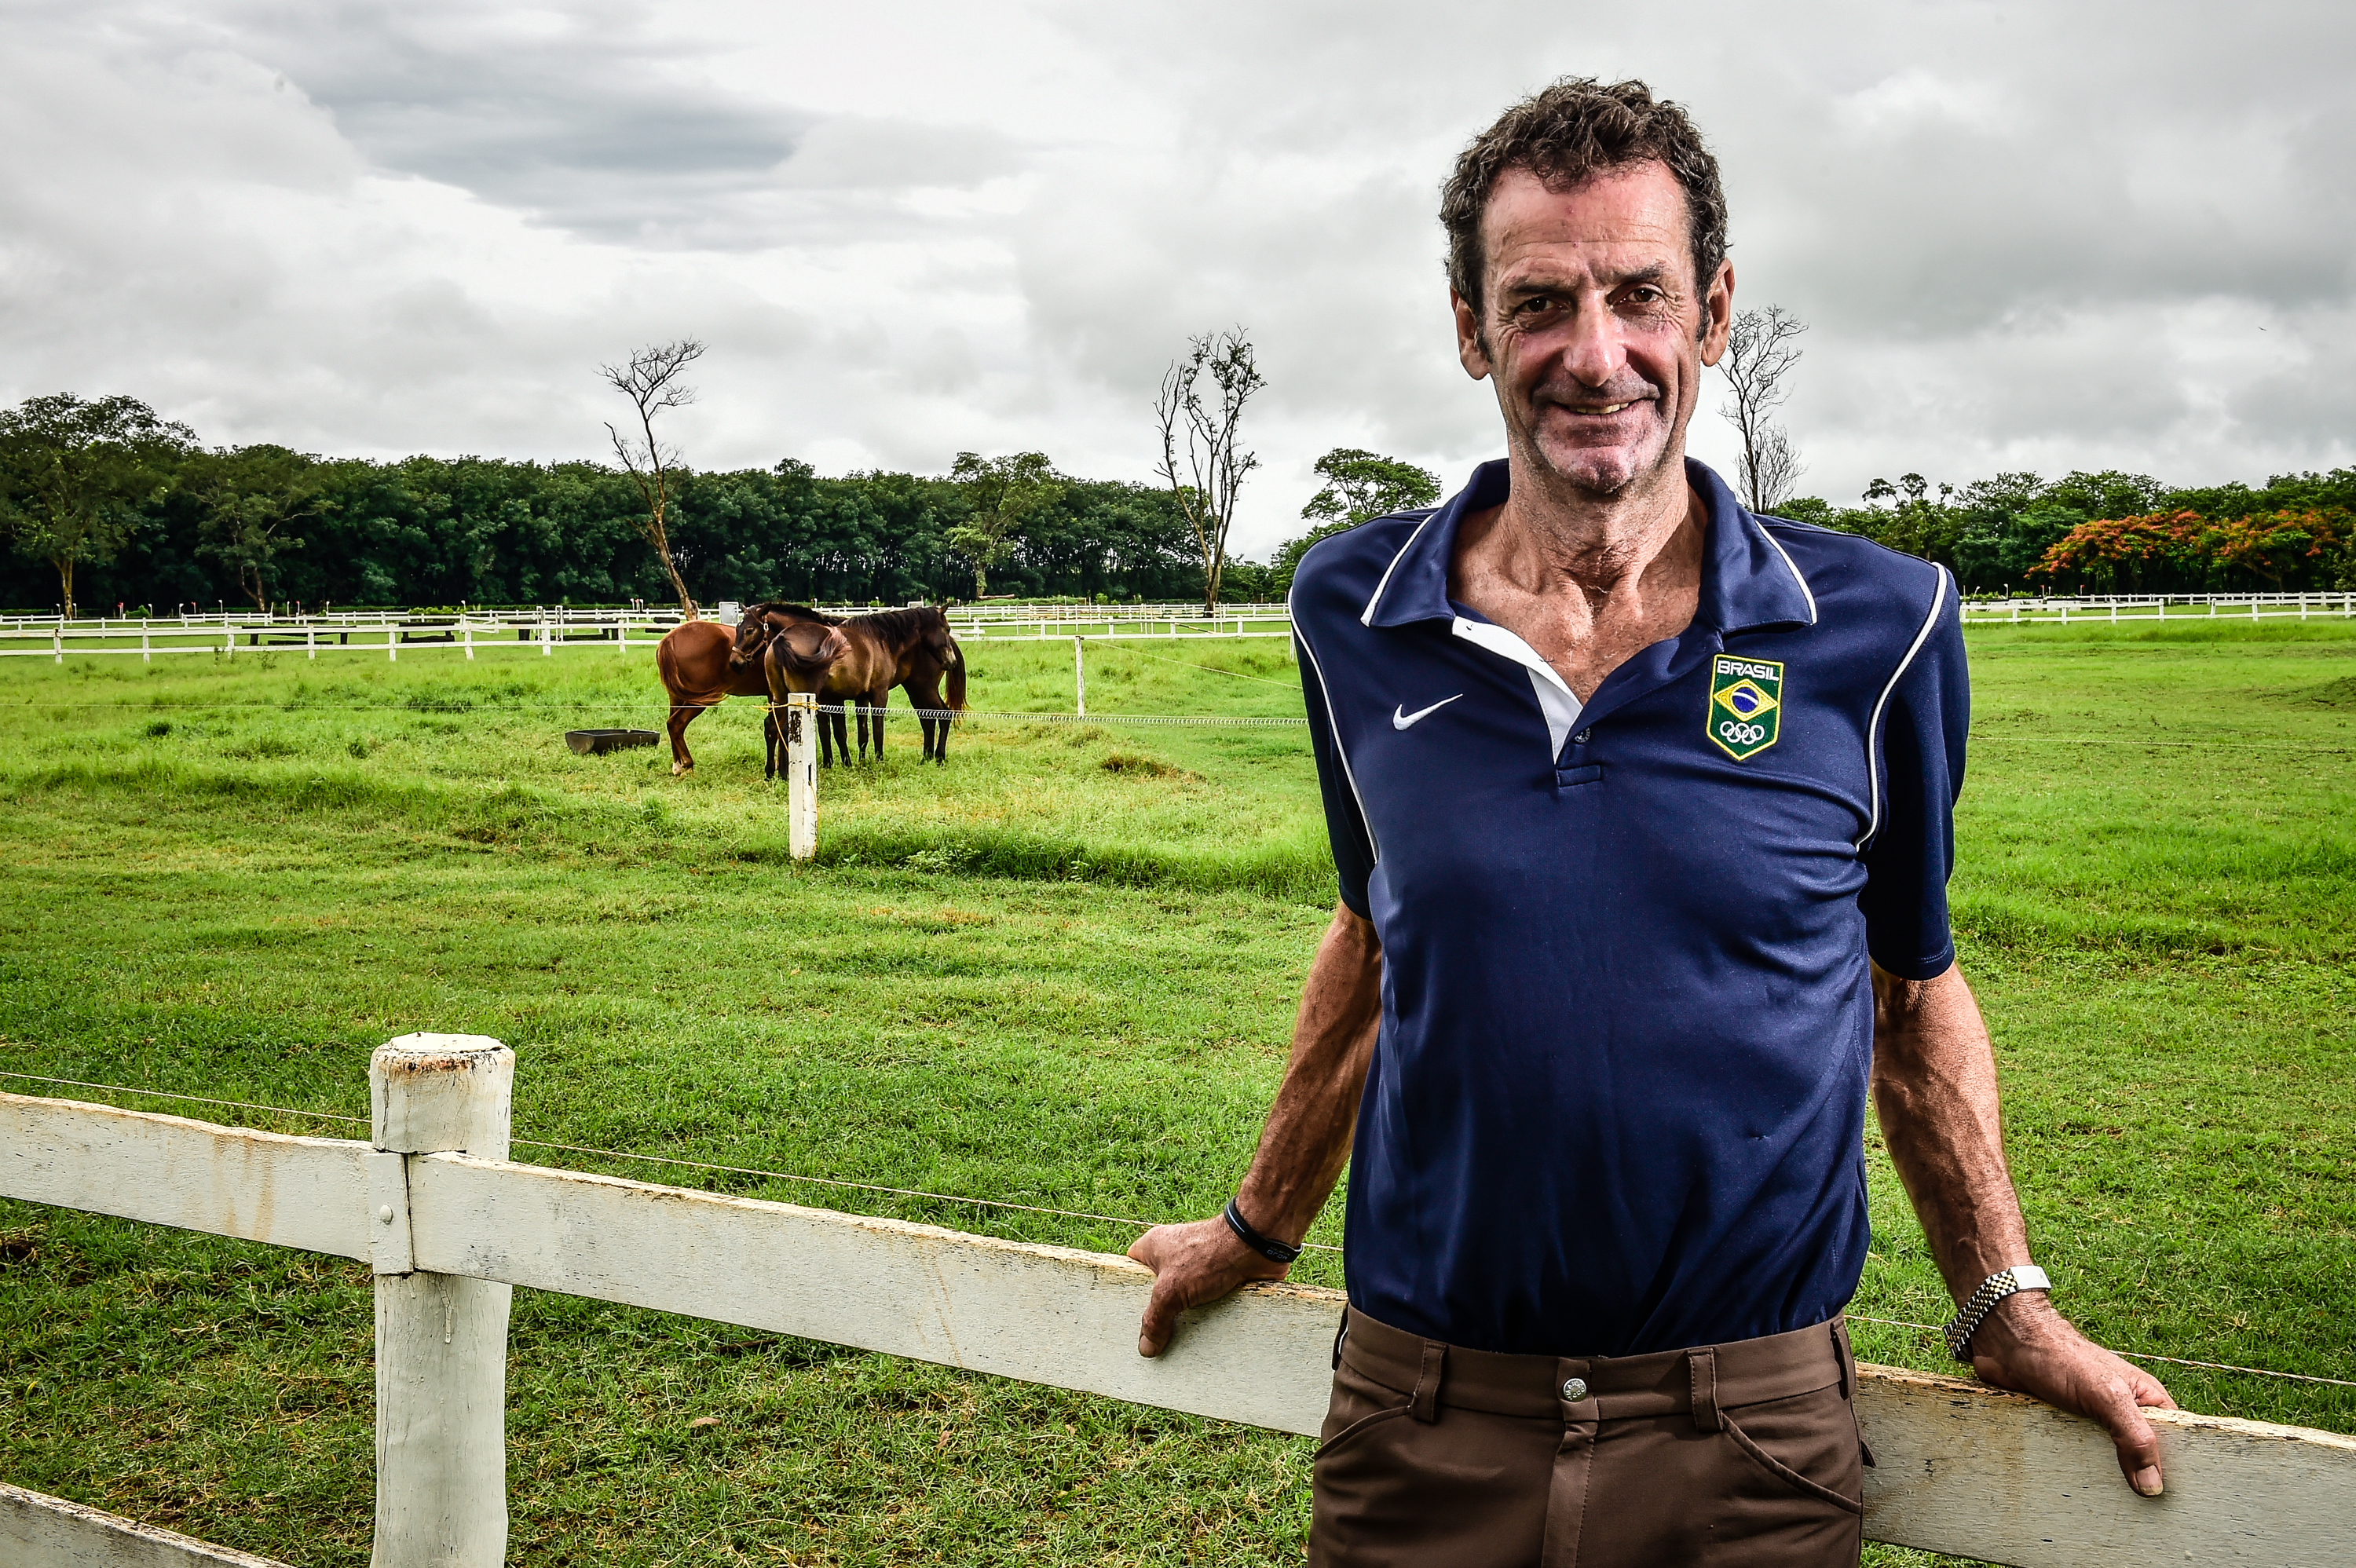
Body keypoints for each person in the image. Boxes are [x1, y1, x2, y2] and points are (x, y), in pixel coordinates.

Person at [1126, 78, 2174, 1567]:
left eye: (1641, 295)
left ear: (1717, 309)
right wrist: (1254, 1226)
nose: (1594, 354)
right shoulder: (1350, 611)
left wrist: (2007, 1300)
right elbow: (1376, 937)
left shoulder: (1879, 627)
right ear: (1472, 328)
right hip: (1419, 1419)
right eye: (1540, 301)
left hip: (1749, 1440)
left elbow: (1908, 989)